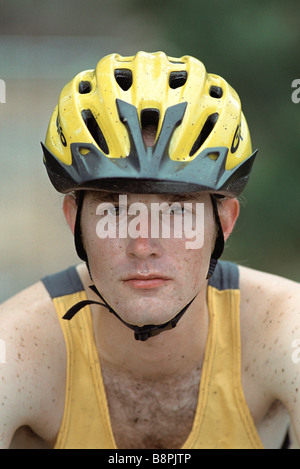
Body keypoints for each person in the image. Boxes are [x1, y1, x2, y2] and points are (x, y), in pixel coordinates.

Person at [0, 51, 299, 450]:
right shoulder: (14, 352)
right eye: (116, 209)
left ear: (223, 221)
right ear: (75, 220)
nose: (143, 245)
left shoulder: (285, 331)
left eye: (177, 209)